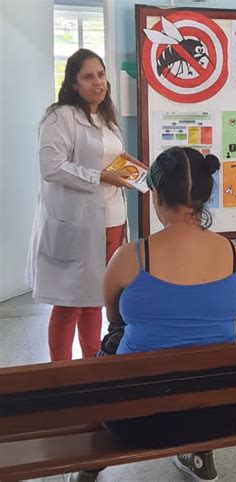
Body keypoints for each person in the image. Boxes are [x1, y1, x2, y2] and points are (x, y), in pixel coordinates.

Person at [84, 147, 236, 482]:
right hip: (221, 415)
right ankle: (200, 454)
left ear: (156, 195)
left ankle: (90, 462)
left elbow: (114, 316)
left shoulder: (129, 257)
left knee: (111, 342)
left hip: (134, 420)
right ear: (206, 196)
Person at [26, 49, 145, 362]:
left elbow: (109, 158)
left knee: (96, 299)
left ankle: (91, 366)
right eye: (89, 76)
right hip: (78, 223)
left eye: (101, 74)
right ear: (74, 83)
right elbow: (51, 166)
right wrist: (100, 176)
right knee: (69, 302)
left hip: (112, 220)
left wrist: (131, 167)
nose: (98, 83)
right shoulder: (60, 117)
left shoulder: (106, 118)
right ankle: (61, 373)